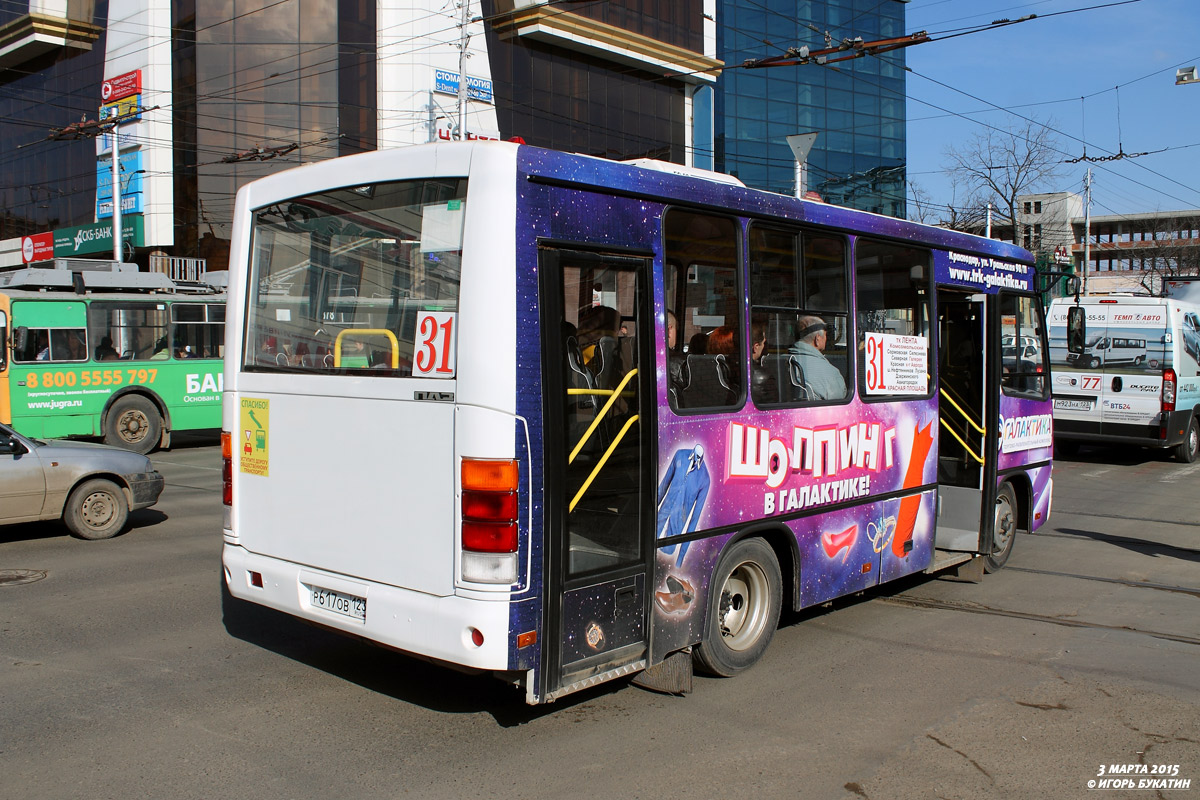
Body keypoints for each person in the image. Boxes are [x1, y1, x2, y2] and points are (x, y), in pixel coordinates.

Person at [788, 314, 846, 400]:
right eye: (825, 335)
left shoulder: (779, 361)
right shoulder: (830, 372)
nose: (826, 339)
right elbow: (841, 401)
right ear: (817, 339)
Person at [750, 320, 778, 405]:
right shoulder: (765, 377)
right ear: (756, 347)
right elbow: (774, 407)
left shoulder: (726, 368)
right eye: (763, 343)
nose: (764, 347)